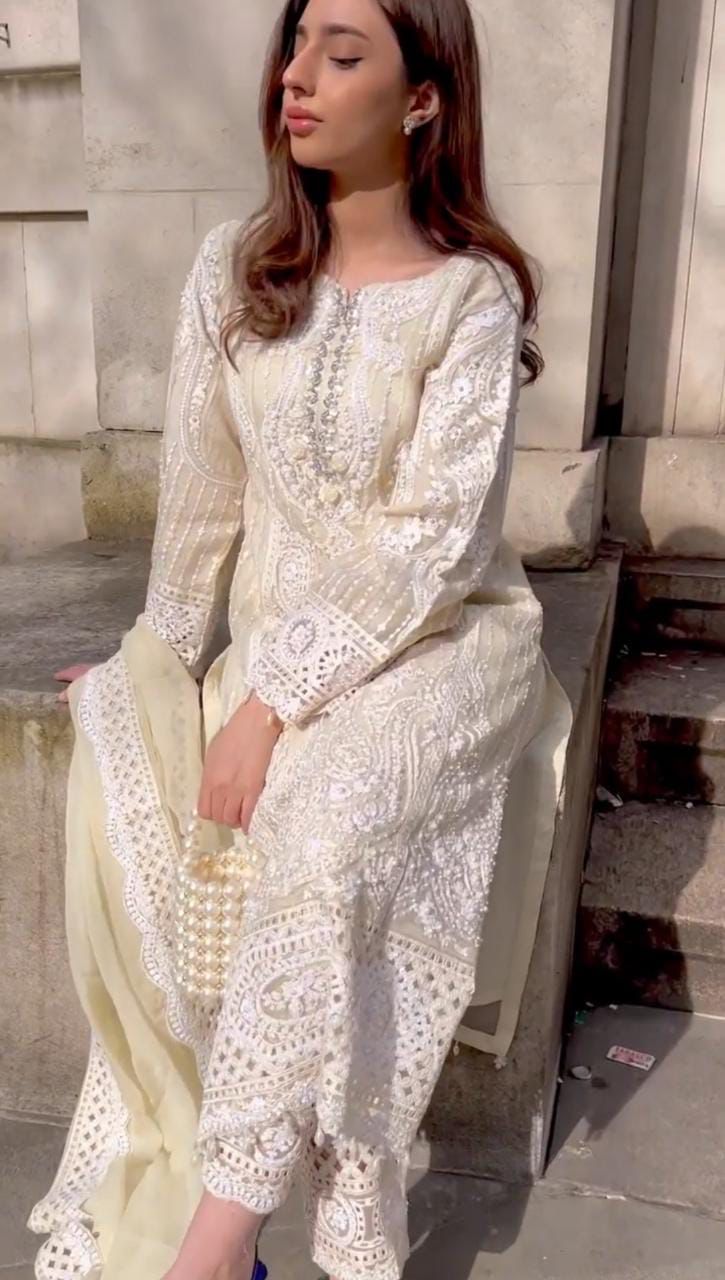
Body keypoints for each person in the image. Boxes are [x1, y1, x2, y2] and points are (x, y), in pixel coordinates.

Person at [28, 0, 573, 1277]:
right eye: (295, 45)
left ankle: (219, 1241)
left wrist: (270, 702)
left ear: (422, 97)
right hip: (284, 643)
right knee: (180, 793)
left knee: (325, 819)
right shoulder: (232, 269)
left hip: (446, 642)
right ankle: (295, 1229)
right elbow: (200, 508)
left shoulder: (469, 297)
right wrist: (155, 667)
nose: (295, 76)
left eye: (342, 52)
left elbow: (432, 546)